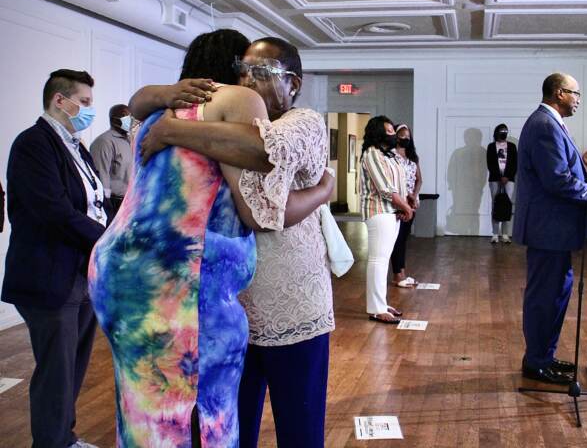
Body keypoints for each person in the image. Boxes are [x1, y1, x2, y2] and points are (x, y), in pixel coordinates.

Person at [129, 36, 335, 447]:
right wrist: (166, 106)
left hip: (289, 304)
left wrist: (173, 130)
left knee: (300, 428)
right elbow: (137, 106)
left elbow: (261, 167)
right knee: (231, 429)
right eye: (242, 70)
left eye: (262, 73)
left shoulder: (302, 121)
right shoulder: (222, 118)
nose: (248, 80)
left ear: (293, 83)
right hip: (226, 308)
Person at [2, 69, 106, 448]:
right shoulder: (33, 143)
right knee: (56, 370)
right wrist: (109, 238)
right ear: (59, 100)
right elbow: (53, 211)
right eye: (86, 102)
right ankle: (50, 443)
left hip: (81, 270)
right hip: (49, 274)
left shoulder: (75, 146)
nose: (89, 110)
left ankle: (65, 436)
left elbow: (94, 202)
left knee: (74, 365)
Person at [512, 72, 587, 385]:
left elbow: (564, 174)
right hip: (547, 230)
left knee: (555, 295)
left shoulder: (550, 124)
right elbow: (557, 180)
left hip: (554, 231)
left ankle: (543, 357)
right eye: (576, 94)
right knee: (544, 297)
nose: (578, 100)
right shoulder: (545, 126)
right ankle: (536, 362)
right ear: (560, 93)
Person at [361, 116, 413, 324]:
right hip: (379, 211)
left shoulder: (390, 155)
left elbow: (398, 184)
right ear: (378, 132)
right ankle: (376, 308)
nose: (393, 134)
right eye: (389, 130)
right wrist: (405, 207)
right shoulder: (372, 153)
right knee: (378, 260)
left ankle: (382, 303)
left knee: (383, 260)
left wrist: (405, 202)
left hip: (392, 213)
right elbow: (384, 188)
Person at [391, 124, 422, 287]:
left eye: (408, 136)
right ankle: (397, 274)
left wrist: (414, 195)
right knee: (396, 239)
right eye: (402, 135)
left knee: (403, 239)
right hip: (398, 203)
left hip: (411, 203)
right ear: (396, 136)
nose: (406, 139)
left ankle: (402, 272)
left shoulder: (412, 158)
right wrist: (403, 201)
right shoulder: (390, 156)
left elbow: (419, 179)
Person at [89, 104, 132, 215]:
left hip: (128, 201)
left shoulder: (129, 140)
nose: (130, 119)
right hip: (112, 202)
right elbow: (101, 173)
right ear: (114, 120)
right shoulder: (104, 142)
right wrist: (105, 205)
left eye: (131, 116)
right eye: (125, 116)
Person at [486, 124, 517, 243]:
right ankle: (494, 234)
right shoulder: (491, 146)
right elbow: (490, 164)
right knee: (496, 204)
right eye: (501, 131)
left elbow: (515, 163)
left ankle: (505, 234)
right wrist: (500, 177)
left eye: (505, 131)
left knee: (507, 205)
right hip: (495, 179)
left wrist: (507, 177)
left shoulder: (512, 146)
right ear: (496, 132)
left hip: (509, 180)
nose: (503, 133)